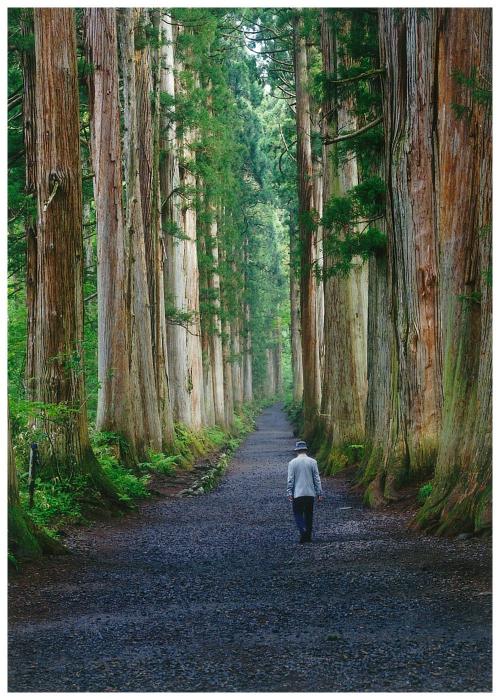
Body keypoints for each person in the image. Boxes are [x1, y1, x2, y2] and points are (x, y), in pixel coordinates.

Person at [287, 440, 323, 543]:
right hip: (310, 493)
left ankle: (302, 529)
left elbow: (290, 479)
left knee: (297, 513)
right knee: (309, 514)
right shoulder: (313, 462)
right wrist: (319, 493)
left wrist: (289, 492)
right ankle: (308, 537)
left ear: (297, 451)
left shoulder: (292, 463)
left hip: (297, 494)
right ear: (305, 450)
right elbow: (317, 478)